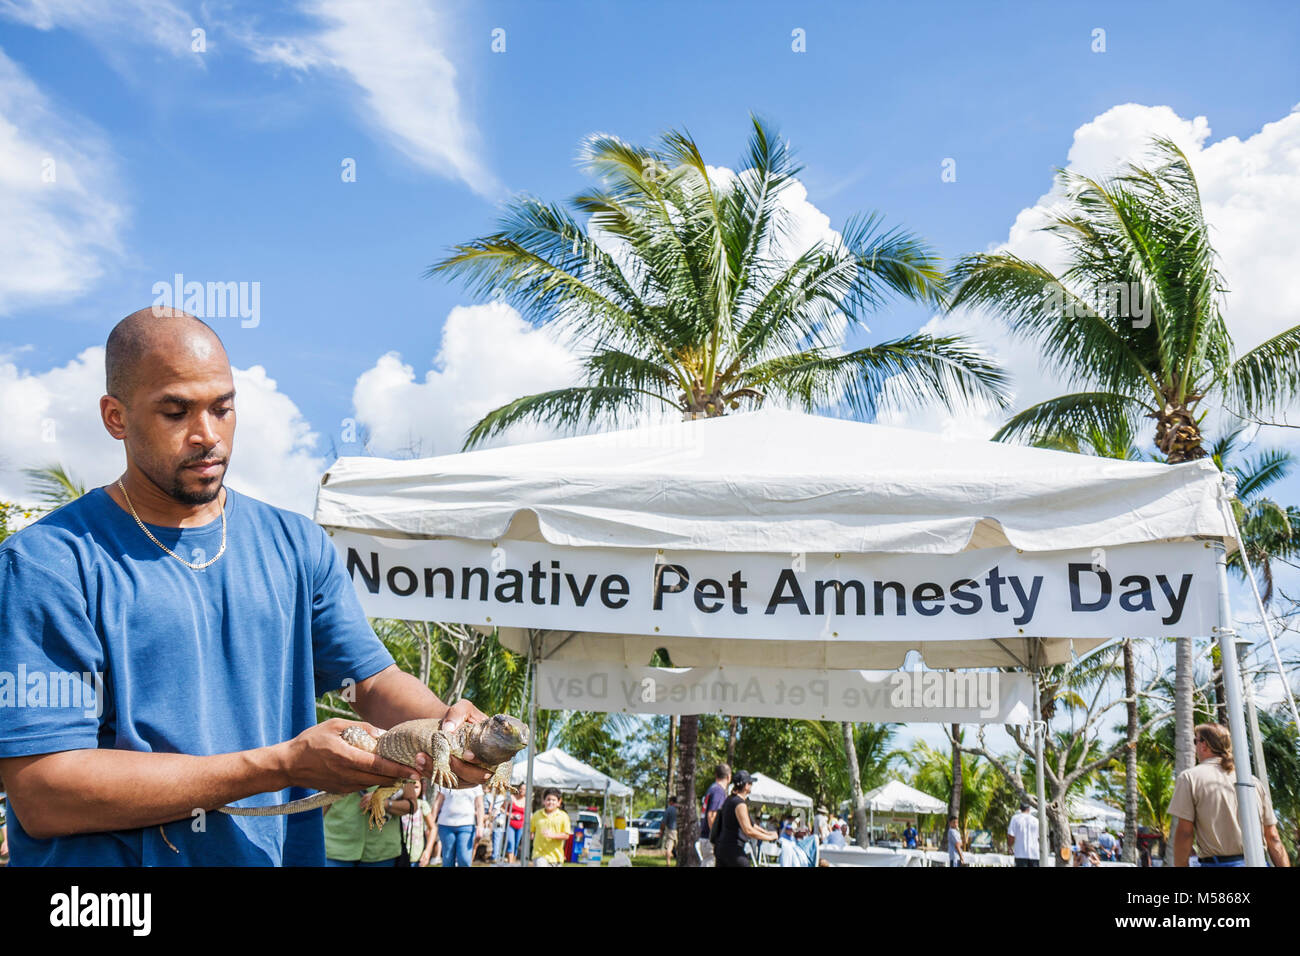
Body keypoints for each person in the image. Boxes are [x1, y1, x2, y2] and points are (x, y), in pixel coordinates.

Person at [0, 309, 492, 866]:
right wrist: (280, 766)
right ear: (116, 418)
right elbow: (45, 792)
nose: (207, 434)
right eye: (175, 411)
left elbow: (372, 682)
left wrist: (445, 731)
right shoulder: (48, 562)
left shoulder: (296, 545)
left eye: (223, 407)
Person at [1168, 722, 1290, 867]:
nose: (1195, 747)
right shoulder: (1253, 782)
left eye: (1196, 741)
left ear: (1204, 744)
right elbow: (1273, 837)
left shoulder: (1190, 778)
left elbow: (1185, 833)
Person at [324, 782, 417, 867]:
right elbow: (321, 802)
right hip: (335, 846)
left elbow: (412, 805)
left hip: (381, 851)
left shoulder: (403, 764)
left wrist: (385, 803)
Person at [713, 770, 778, 867]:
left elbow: (753, 826)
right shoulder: (739, 804)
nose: (751, 785)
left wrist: (768, 833)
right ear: (746, 785)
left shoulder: (729, 799)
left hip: (721, 849)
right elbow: (748, 830)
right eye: (750, 783)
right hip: (733, 850)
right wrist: (769, 838)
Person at [434, 783, 484, 868]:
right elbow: (437, 803)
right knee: (448, 859)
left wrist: (480, 825)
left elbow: (480, 805)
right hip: (446, 825)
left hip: (466, 825)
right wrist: (431, 824)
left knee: (464, 858)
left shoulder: (475, 783)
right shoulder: (446, 781)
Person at [531, 788, 571, 866]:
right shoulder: (537, 815)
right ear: (544, 801)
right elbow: (531, 831)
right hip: (539, 854)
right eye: (548, 799)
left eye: (553, 800)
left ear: (559, 802)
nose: (550, 802)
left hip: (556, 856)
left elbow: (566, 835)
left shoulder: (563, 816)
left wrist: (552, 835)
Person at [401, 779, 435, 867]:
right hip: (399, 855)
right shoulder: (397, 804)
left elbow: (433, 828)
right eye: (410, 786)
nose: (413, 790)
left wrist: (427, 851)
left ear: (422, 788)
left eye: (416, 787)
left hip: (416, 857)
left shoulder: (422, 805)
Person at [1006, 799, 1039, 867]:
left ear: (1020, 808)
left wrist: (1009, 847)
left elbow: (1011, 836)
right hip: (1034, 855)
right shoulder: (1036, 821)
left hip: (1020, 854)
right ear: (1029, 808)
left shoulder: (1015, 819)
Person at [701, 764, 730, 839]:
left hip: (705, 836)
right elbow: (712, 815)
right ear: (728, 777)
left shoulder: (712, 788)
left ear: (716, 775)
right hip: (709, 838)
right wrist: (717, 838)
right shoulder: (719, 791)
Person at [504, 787, 526, 863]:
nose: (521, 790)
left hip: (521, 826)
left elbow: (529, 813)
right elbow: (502, 808)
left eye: (524, 789)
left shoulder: (527, 800)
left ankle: (512, 862)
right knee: (510, 842)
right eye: (521, 788)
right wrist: (510, 815)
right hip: (511, 824)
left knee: (516, 844)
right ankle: (510, 863)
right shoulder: (511, 797)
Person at [662, 795, 678, 864]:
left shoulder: (669, 809)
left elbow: (664, 821)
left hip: (670, 830)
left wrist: (661, 830)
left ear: (671, 801)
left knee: (669, 847)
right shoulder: (680, 809)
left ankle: (668, 863)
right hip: (679, 831)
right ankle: (679, 862)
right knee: (679, 848)